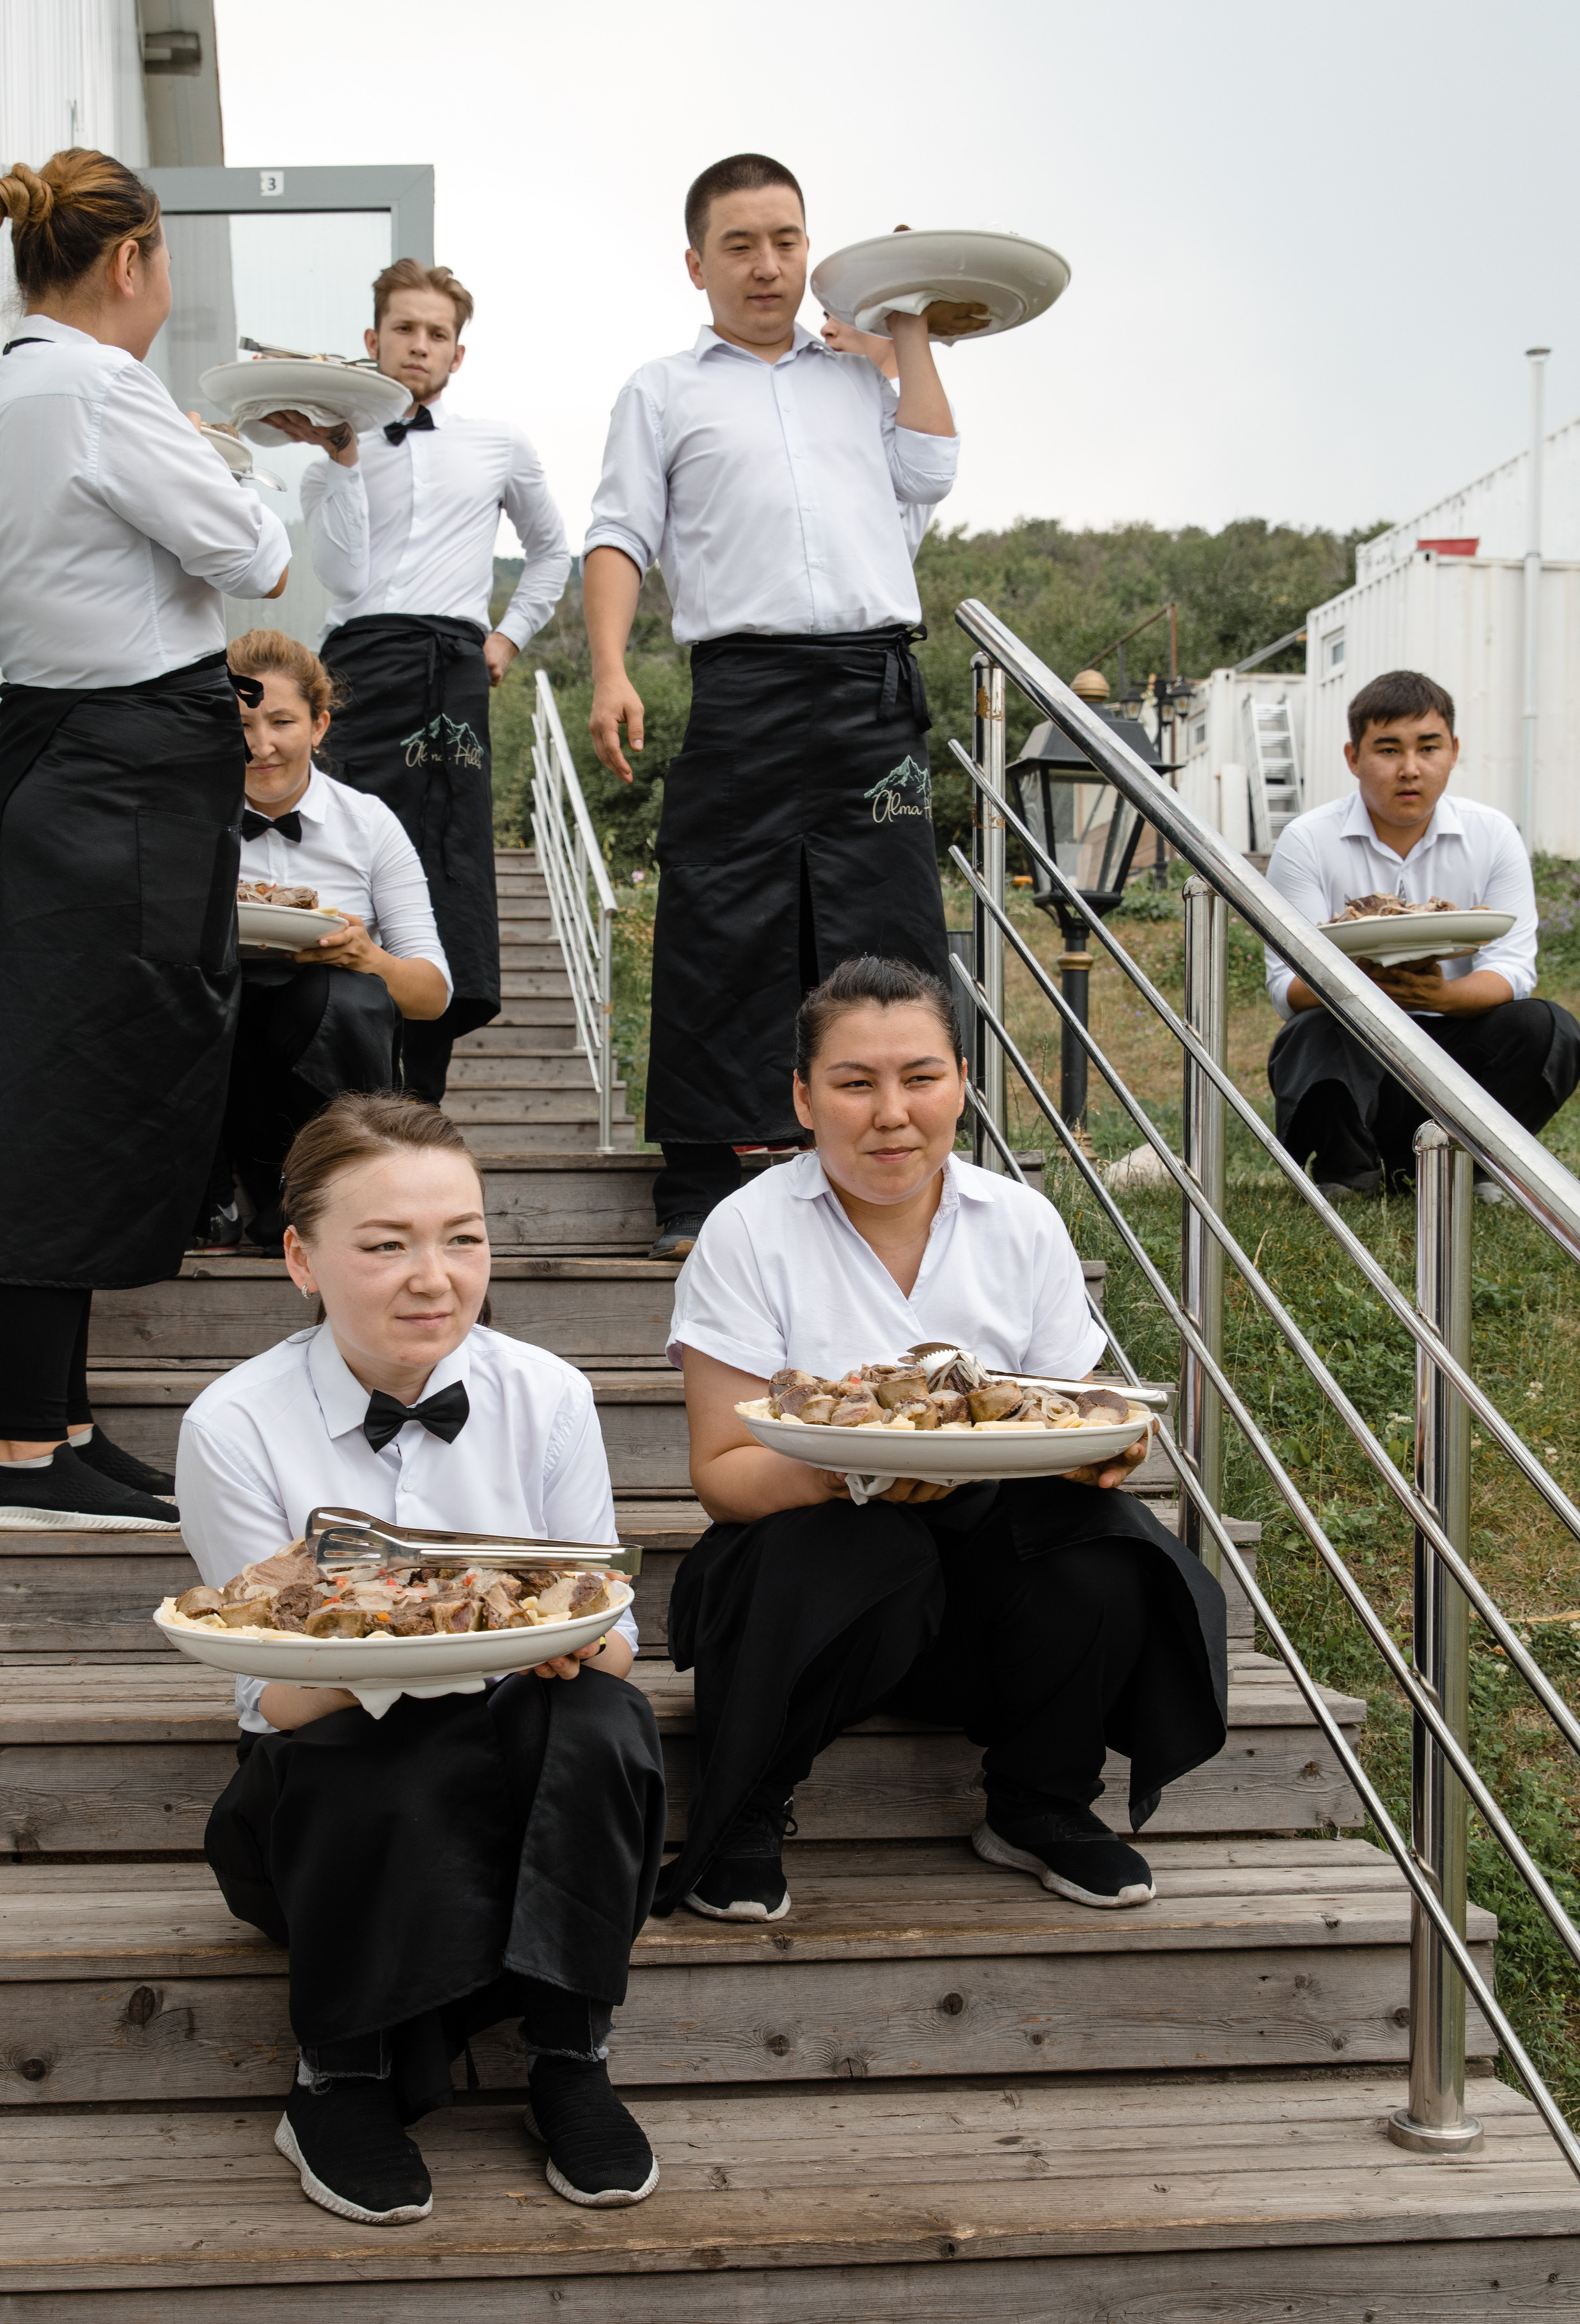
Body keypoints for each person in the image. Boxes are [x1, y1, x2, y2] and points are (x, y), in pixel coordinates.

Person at [655, 954, 1228, 1924]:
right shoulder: (747, 1233)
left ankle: (1039, 1805)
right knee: (868, 1546)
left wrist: (1098, 1452)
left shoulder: (1020, 1224)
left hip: (984, 1605)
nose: (892, 1113)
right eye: (854, 1083)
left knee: (1111, 1552)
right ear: (802, 1097)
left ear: (961, 1082)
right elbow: (723, 1473)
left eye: (920, 1078)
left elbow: (1064, 1413)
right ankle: (749, 1806)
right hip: (817, 1598)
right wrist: (853, 1472)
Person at [178, 1093, 665, 2226]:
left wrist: (577, 1637)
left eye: (463, 1237)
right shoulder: (233, 1425)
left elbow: (619, 1641)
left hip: (519, 1785)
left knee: (597, 1722)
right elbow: (276, 1694)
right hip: (321, 1803)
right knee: (383, 1741)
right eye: (386, 1244)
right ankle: (337, 2075)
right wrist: (417, 1638)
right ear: (300, 1259)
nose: (434, 1276)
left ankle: (569, 2052)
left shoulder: (545, 1394)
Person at [0, 150, 291, 1534]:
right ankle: (27, 1449)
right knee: (70, 1090)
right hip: (118, 776)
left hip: (58, 759)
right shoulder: (97, 390)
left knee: (62, 1080)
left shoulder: (0, 404)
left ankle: (61, 1425)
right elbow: (255, 552)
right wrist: (223, 451)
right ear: (131, 262)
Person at [583, 153, 969, 1261]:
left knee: (886, 923)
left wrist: (907, 328)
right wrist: (611, 668)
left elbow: (932, 472)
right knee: (722, 915)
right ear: (698, 262)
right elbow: (620, 534)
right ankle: (701, 1173)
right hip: (743, 684)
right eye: (742, 245)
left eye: (787, 242)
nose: (767, 266)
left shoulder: (859, 372)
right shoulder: (662, 389)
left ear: (812, 250)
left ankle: (898, 1156)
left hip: (871, 684)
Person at [266, 260, 572, 1105]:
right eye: (404, 329)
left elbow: (554, 550)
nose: (419, 345)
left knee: (447, 862)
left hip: (450, 672)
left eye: (437, 333)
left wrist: (508, 637)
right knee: (337, 847)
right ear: (373, 340)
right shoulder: (334, 452)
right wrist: (340, 460)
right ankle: (334, 1082)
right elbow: (343, 573)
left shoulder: (499, 442)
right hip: (355, 664)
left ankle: (422, 1098)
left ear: (457, 354)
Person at [1264, 670, 1580, 1198]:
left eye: (1428, 747)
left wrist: (1443, 995)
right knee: (1310, 1034)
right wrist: (1364, 983)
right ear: (1353, 757)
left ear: (1453, 751)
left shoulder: (1493, 835)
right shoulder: (1308, 841)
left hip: (1457, 1050)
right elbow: (1287, 987)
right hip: (1354, 1042)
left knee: (1548, 1028)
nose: (1410, 770)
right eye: (1388, 750)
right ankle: (1348, 1169)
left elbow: (1512, 969)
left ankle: (1476, 1160)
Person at [191, 630, 453, 1254]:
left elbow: (433, 995)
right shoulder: (188, 820)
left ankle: (351, 1195)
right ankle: (210, 1194)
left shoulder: (368, 823)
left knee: (351, 995)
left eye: (282, 721)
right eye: (242, 725)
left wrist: (369, 957)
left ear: (319, 725)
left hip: (324, 1048)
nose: (262, 745)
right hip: (214, 1049)